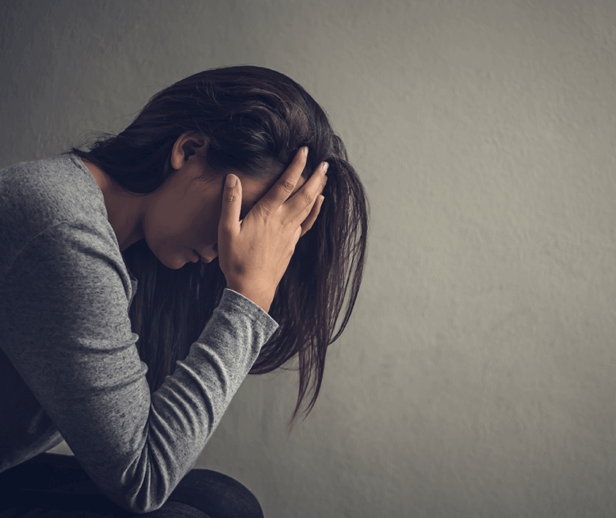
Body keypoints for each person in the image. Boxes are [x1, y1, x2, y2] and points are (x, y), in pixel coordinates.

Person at [0, 65, 369, 517]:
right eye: (246, 214)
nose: (236, 241)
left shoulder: (124, 248)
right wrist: (250, 297)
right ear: (189, 149)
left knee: (224, 500)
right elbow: (143, 478)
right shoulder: (64, 228)